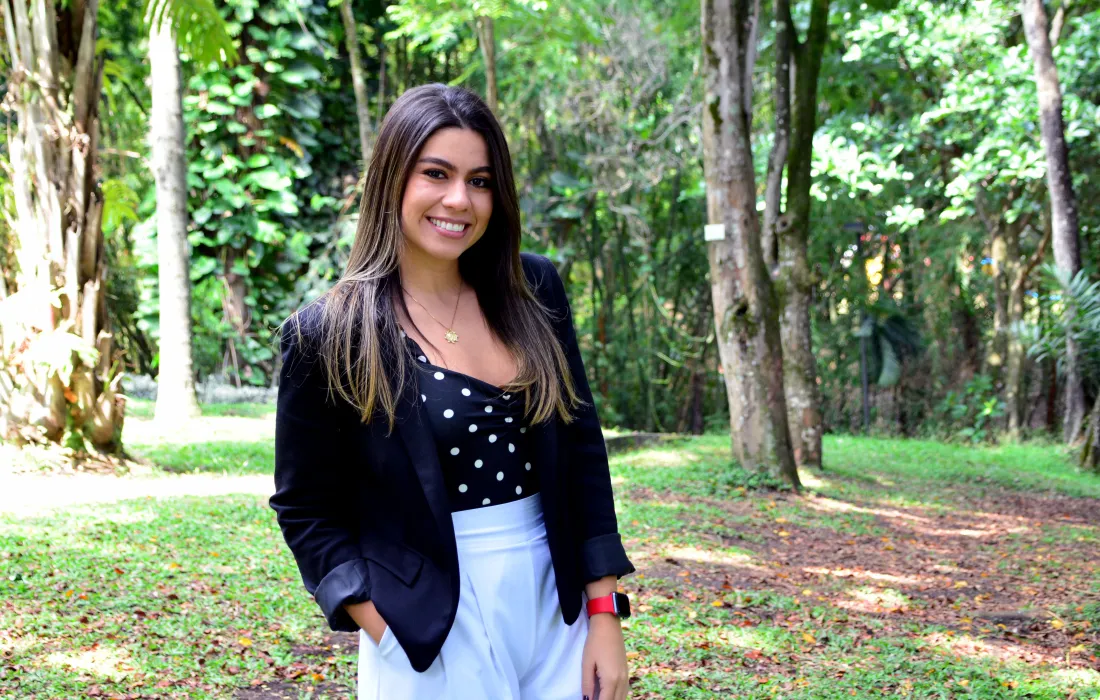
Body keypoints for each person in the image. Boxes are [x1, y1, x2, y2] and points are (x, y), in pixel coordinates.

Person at [270, 83, 636, 700]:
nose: (459, 199)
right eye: (436, 174)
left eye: (480, 181)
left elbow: (582, 455)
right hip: (430, 622)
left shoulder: (534, 289)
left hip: (559, 605)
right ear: (392, 179)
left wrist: (604, 614)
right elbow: (305, 507)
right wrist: (382, 627)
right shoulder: (330, 333)